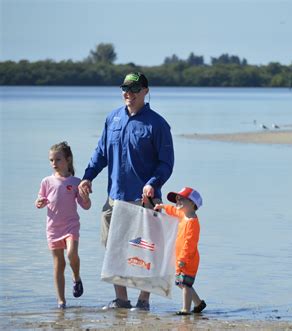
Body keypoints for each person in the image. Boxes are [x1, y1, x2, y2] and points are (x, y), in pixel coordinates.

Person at [78, 72, 174, 311]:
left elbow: (166, 163)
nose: (128, 93)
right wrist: (88, 176)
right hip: (114, 198)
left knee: (146, 253)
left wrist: (153, 182)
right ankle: (121, 300)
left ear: (145, 91)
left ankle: (143, 301)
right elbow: (101, 152)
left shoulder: (158, 124)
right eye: (124, 88)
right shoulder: (112, 119)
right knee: (113, 249)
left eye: (134, 88)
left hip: (145, 200)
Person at [35, 142, 91, 309]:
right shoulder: (46, 181)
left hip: (71, 226)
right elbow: (39, 201)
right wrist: (40, 202)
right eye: (51, 160)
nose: (54, 163)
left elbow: (86, 206)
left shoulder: (76, 182)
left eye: (58, 159)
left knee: (72, 254)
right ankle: (61, 301)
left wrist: (86, 198)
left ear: (68, 160)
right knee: (58, 264)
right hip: (53, 228)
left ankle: (76, 277)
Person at [154, 187, 207, 315]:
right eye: (177, 199)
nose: (177, 202)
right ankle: (199, 303)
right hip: (180, 257)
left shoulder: (193, 223)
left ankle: (185, 310)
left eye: (181, 199)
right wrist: (163, 207)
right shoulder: (183, 215)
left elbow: (190, 244)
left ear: (192, 204)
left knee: (185, 285)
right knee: (180, 283)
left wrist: (183, 259)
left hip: (188, 259)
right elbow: (173, 210)